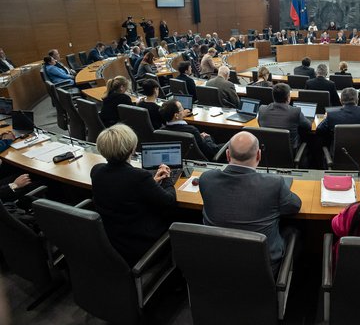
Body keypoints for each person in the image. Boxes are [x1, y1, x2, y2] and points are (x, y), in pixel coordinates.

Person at [199, 131, 301, 274]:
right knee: (293, 230)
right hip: (261, 269)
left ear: (227, 155)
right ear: (259, 155)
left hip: (217, 262)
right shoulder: (274, 184)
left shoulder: (206, 179)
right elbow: (295, 206)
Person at [91, 124, 176, 266]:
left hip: (111, 239)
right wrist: (167, 179)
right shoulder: (138, 177)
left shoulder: (96, 171)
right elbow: (169, 201)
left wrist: (151, 183)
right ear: (132, 149)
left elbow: (123, 190)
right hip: (138, 244)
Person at [258, 83, 311, 150]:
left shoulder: (262, 109)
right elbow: (309, 126)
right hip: (290, 153)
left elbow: (260, 124)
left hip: (268, 153)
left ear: (273, 96)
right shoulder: (295, 111)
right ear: (288, 97)